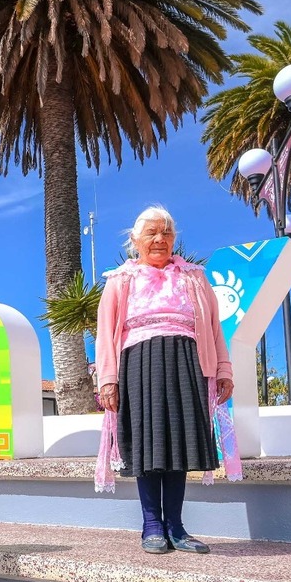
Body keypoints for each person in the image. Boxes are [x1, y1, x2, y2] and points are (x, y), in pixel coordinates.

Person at [95, 206, 234, 555]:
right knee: (148, 445)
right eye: (151, 233)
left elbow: (214, 327)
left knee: (180, 445)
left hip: (188, 361)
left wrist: (223, 369)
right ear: (135, 240)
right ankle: (152, 526)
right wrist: (108, 379)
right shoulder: (120, 280)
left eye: (166, 233)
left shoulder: (194, 277)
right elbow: (105, 333)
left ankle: (177, 527)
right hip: (139, 364)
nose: (160, 239)